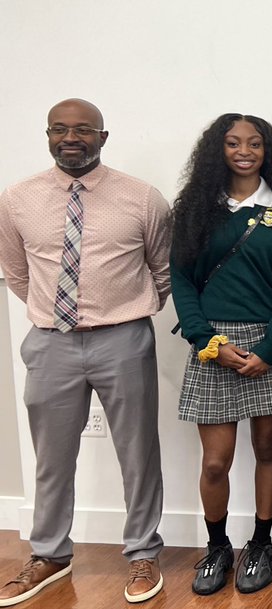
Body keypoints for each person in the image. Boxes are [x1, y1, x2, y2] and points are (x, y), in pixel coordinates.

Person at [0, 98, 170, 606]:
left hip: (123, 339)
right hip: (50, 343)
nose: (70, 138)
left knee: (138, 452)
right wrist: (55, 314)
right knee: (51, 458)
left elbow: (161, 272)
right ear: (47, 135)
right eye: (59, 129)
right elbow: (16, 271)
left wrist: (123, 312)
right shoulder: (17, 199)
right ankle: (49, 553)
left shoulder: (142, 198)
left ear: (103, 135)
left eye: (83, 129)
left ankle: (143, 553)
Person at [171, 113, 272, 596]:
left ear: (267, 150)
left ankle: (261, 542)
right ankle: (217, 546)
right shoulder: (197, 208)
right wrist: (206, 342)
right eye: (233, 143)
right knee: (215, 462)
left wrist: (269, 347)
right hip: (212, 345)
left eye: (254, 143)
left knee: (267, 448)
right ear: (217, 149)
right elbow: (180, 278)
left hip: (268, 343)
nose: (243, 150)